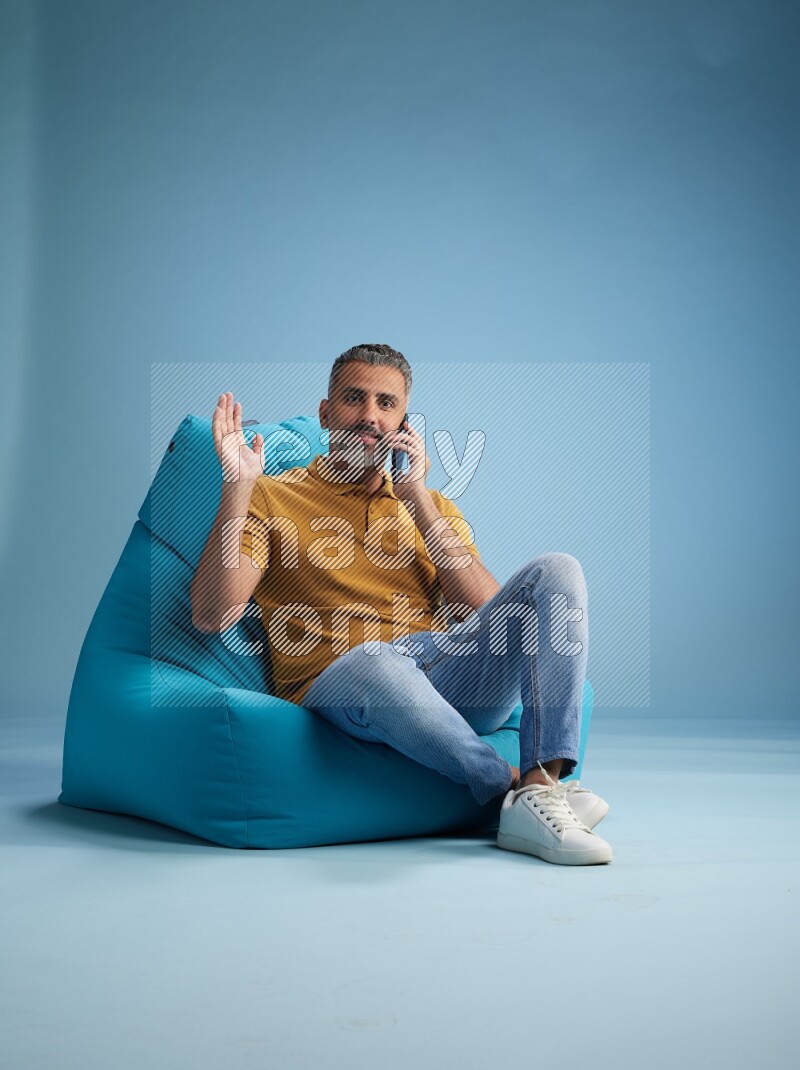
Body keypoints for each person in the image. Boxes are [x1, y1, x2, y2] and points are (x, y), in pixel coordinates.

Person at [190, 343, 612, 866]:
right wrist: (237, 487)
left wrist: (416, 496)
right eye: (354, 399)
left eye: (386, 404)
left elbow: (493, 616)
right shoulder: (272, 496)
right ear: (326, 413)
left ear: (403, 422)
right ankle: (510, 789)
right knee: (378, 660)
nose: (370, 416)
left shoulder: (429, 504)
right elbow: (213, 613)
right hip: (346, 681)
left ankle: (543, 781)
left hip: (442, 671)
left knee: (557, 570)